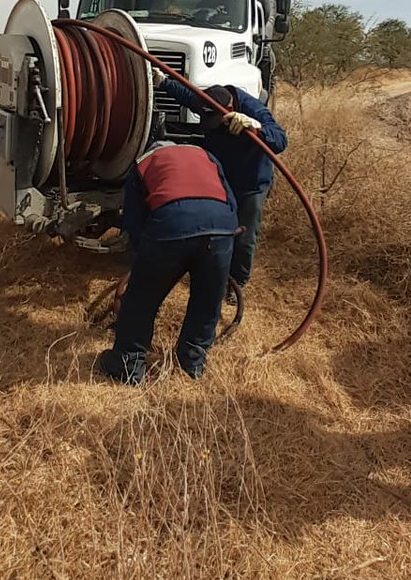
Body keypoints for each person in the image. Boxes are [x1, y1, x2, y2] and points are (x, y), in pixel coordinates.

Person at [94, 141, 238, 385]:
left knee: (140, 300)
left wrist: (145, 260)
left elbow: (133, 221)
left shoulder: (143, 163)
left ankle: (128, 365)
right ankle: (191, 363)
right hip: (221, 227)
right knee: (207, 300)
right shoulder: (206, 155)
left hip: (171, 226)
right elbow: (231, 200)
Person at [152, 72, 287, 292]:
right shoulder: (208, 102)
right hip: (223, 177)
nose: (210, 125)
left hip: (251, 183)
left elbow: (280, 140)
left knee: (244, 236)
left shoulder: (252, 109)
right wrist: (163, 81)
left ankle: (237, 284)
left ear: (231, 109)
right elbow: (187, 95)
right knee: (218, 229)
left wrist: (255, 127)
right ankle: (215, 274)